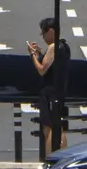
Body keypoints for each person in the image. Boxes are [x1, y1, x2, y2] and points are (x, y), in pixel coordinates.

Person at [27, 18, 69, 156]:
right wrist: (40, 54)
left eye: (43, 33)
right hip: (59, 90)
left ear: (51, 31)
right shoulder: (64, 46)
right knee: (56, 125)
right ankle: (60, 156)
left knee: (50, 128)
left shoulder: (53, 47)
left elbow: (42, 69)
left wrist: (32, 54)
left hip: (50, 92)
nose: (43, 37)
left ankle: (51, 159)